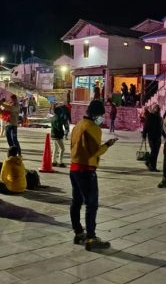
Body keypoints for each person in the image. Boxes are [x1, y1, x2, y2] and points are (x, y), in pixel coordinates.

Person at [69, 99, 117, 251]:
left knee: (76, 201)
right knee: (91, 204)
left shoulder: (77, 125)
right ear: (97, 114)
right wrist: (107, 145)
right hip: (87, 170)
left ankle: (78, 232)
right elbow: (95, 151)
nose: (102, 118)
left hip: (74, 168)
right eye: (102, 115)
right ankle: (91, 237)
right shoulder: (94, 128)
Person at [143, 104, 163, 172]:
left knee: (156, 152)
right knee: (154, 151)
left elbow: (161, 128)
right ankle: (148, 162)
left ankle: (153, 167)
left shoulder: (159, 118)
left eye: (158, 108)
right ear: (153, 109)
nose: (157, 109)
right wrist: (144, 135)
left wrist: (165, 136)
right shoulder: (150, 116)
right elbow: (145, 126)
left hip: (158, 137)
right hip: (151, 136)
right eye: (155, 108)